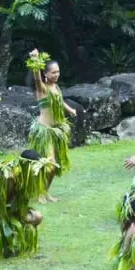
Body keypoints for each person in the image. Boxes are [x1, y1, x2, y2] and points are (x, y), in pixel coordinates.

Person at [27, 50, 77, 201]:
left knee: (55, 167)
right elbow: (36, 77)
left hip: (57, 130)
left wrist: (71, 110)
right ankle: (39, 192)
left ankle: (45, 192)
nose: (57, 75)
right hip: (45, 131)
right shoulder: (42, 88)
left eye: (58, 72)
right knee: (50, 164)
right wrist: (36, 60)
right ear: (45, 74)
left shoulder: (56, 87)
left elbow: (59, 101)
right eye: (53, 72)